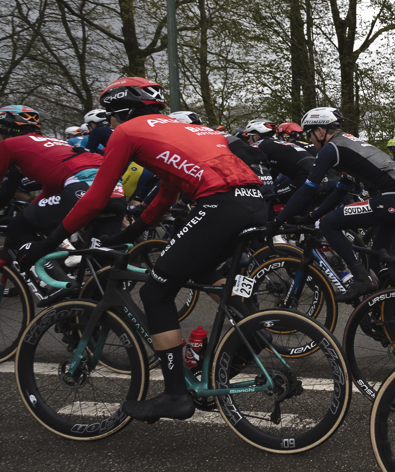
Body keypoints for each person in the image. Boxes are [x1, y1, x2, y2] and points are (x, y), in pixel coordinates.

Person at [22, 77, 268, 422]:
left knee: (155, 292)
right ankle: (253, 331)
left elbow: (95, 199)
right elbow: (166, 193)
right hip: (254, 202)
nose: (109, 124)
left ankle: (175, 395)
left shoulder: (127, 131)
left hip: (219, 205)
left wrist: (48, 242)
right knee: (201, 269)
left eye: (109, 116)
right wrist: (130, 233)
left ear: (121, 112)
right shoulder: (183, 129)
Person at [272, 107, 395, 301]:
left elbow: (307, 189)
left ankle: (361, 278)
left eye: (310, 134)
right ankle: (390, 311)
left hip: (390, 199)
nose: (310, 140)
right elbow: (340, 191)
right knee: (377, 261)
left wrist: (277, 222)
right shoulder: (350, 143)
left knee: (328, 224)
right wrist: (311, 216)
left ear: (320, 131)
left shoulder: (331, 148)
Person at [1, 105, 122, 266]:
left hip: (82, 188)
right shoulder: (56, 142)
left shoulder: (9, 144)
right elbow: (50, 190)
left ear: (5, 129)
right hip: (116, 190)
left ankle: (48, 274)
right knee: (104, 264)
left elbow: (6, 191)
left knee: (18, 227)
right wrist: (30, 210)